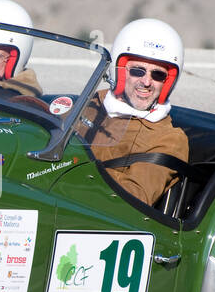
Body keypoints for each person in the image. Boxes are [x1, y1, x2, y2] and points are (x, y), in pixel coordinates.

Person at [78, 18, 190, 207]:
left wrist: (73, 168)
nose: (146, 82)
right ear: (119, 72)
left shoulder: (169, 139)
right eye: (138, 71)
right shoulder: (91, 104)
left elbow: (136, 197)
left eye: (158, 75)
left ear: (168, 82)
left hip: (102, 219)